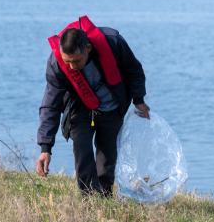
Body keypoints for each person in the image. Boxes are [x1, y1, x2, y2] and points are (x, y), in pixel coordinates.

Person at [35, 16, 150, 195]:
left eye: (77, 61)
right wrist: (45, 147)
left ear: (88, 48)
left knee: (107, 156)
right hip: (79, 107)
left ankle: (104, 196)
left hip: (112, 107)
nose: (72, 67)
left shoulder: (113, 42)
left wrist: (139, 100)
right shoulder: (56, 63)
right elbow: (50, 104)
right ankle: (89, 197)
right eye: (68, 62)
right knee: (82, 150)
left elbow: (133, 70)